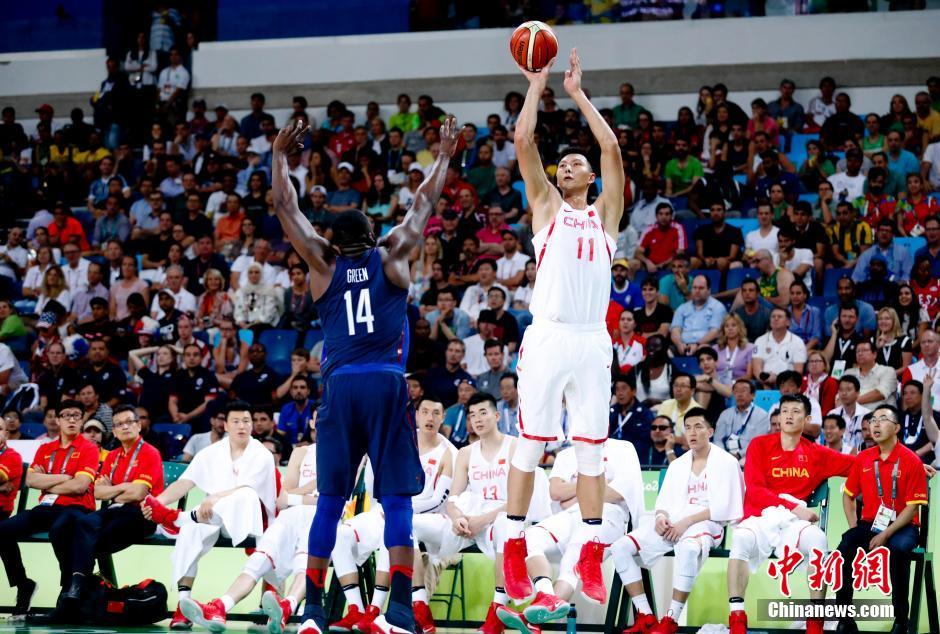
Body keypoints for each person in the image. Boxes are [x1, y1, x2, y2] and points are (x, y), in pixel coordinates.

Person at [266, 115, 460, 634]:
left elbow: (285, 205)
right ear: (375, 235)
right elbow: (423, 203)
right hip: (385, 382)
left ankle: (312, 610)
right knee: (396, 500)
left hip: (340, 386)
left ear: (332, 239)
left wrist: (280, 155)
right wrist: (443, 154)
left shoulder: (321, 264)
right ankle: (400, 607)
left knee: (330, 502)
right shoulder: (392, 257)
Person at [500, 48, 627, 610]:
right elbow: (523, 140)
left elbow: (611, 148)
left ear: (592, 178)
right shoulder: (547, 208)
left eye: (578, 163)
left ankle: (592, 553)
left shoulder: (605, 216)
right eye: (564, 163)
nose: (569, 166)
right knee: (531, 443)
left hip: (592, 340)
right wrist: (538, 85)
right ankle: (513, 543)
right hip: (549, 336)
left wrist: (577, 95)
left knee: (591, 452)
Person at [726, 394, 856, 634]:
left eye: (796, 412)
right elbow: (755, 490)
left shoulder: (817, 453)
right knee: (740, 539)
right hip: (761, 518)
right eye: (785, 411)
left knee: (818, 540)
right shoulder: (759, 445)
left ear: (806, 419)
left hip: (793, 523)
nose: (788, 416)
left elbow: (858, 465)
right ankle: (736, 616)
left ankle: (815, 620)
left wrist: (910, 464)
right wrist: (794, 507)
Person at [142, 401, 277, 629]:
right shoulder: (211, 453)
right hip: (210, 517)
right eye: (236, 421)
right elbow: (185, 482)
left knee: (244, 495)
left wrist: (215, 497)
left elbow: (249, 489)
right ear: (226, 425)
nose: (242, 426)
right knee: (190, 531)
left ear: (252, 425)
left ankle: (181, 518)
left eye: (246, 421)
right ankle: (183, 606)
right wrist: (157, 503)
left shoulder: (261, 454)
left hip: (248, 520)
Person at [613, 408, 744, 634]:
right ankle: (645, 615)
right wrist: (661, 517)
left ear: (710, 431)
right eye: (688, 427)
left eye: (698, 427)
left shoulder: (727, 462)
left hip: (707, 523)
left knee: (689, 548)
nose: (692, 432)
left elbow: (726, 507)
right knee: (620, 547)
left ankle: (671, 619)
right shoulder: (677, 464)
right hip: (675, 523)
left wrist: (687, 521)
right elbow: (663, 503)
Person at [495, 438, 644, 633]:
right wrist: (594, 486)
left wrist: (573, 495)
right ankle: (547, 596)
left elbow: (618, 493)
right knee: (529, 538)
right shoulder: (566, 455)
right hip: (568, 515)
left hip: (608, 516)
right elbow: (555, 492)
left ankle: (531, 620)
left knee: (575, 553)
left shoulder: (623, 448)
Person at [180, 435, 319, 634]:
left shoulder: (348, 453)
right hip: (289, 517)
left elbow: (336, 499)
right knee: (257, 561)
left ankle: (289, 606)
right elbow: (283, 498)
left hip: (322, 517)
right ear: (313, 423)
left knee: (304, 562)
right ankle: (220, 607)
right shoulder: (301, 452)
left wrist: (298, 496)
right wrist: (314, 489)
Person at [0, 400, 98, 620]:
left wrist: (48, 482)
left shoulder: (88, 448)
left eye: (76, 415)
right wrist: (65, 477)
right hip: (46, 507)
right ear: (58, 420)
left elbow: (80, 486)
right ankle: (23, 584)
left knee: (60, 529)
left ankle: (67, 589)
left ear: (82, 420)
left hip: (77, 508)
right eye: (66, 415)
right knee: (2, 530)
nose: (71, 419)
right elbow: (31, 480)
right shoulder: (45, 448)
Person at [835, 405, 929, 634]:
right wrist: (854, 527)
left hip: (903, 525)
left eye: (883, 419)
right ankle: (845, 619)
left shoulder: (911, 460)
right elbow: (848, 495)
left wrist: (885, 534)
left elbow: (912, 508)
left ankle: (901, 620)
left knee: (898, 550)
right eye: (873, 420)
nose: (875, 424)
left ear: (896, 428)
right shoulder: (863, 458)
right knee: (844, 548)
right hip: (870, 524)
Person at [59, 405, 165, 609]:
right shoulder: (112, 456)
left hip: (143, 514)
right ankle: (78, 585)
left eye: (129, 422)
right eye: (119, 424)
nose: (125, 427)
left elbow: (139, 493)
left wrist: (114, 488)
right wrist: (125, 487)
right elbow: (97, 492)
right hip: (115, 510)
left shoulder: (150, 453)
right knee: (82, 524)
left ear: (139, 425)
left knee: (86, 540)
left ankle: (74, 589)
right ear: (114, 431)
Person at [715, 379, 770, 463]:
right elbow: (717, 439)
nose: (739, 394)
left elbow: (758, 443)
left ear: (753, 395)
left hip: (749, 455)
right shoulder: (725, 414)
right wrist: (723, 454)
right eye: (736, 391)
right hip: (725, 455)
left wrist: (739, 455)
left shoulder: (762, 415)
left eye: (744, 391)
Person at [670, 275, 727, 356]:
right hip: (683, 345)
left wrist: (697, 344)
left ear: (709, 290)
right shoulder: (682, 308)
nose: (697, 291)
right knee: (666, 351)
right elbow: (675, 330)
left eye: (701, 288)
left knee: (704, 350)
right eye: (694, 288)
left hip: (706, 345)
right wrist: (679, 344)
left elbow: (715, 332)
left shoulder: (717, 307)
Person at [751, 307, 807, 388]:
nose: (775, 319)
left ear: (788, 322)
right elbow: (756, 369)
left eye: (779, 316)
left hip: (788, 383)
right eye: (773, 316)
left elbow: (798, 370)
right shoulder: (760, 340)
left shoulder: (798, 342)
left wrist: (779, 380)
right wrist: (765, 381)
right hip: (765, 383)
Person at [843, 340, 898, 410]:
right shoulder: (848, 373)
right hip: (853, 415)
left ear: (874, 354)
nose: (860, 353)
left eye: (864, 350)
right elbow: (840, 396)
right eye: (857, 351)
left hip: (880, 414)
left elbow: (880, 393)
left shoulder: (888, 371)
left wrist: (851, 402)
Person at [828, 376, 871, 451]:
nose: (844, 393)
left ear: (858, 393)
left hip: (861, 455)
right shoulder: (832, 414)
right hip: (837, 454)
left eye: (848, 390)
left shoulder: (867, 414)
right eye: (841, 390)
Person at [715, 314, 754, 384]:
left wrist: (732, 382)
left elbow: (749, 375)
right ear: (723, 329)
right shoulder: (715, 349)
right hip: (718, 384)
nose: (730, 328)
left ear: (739, 328)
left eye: (733, 325)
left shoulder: (750, 348)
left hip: (740, 384)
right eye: (726, 326)